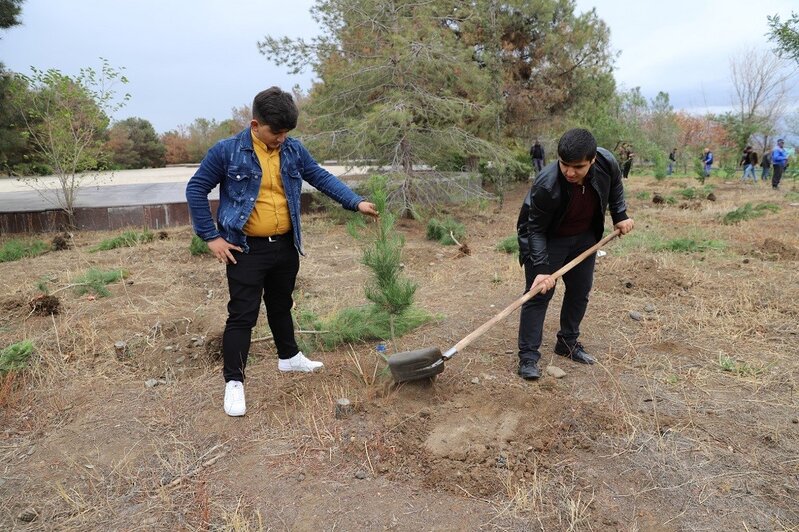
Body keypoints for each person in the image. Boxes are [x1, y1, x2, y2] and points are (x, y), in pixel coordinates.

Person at [186, 87, 378, 416]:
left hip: (286, 246)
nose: (281, 138)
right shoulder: (227, 152)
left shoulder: (293, 150)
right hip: (244, 249)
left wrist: (355, 201)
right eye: (276, 132)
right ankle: (234, 383)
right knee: (242, 316)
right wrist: (210, 236)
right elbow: (196, 188)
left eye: (287, 132)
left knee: (280, 305)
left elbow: (319, 176)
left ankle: (289, 358)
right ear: (255, 124)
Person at [516, 128, 634, 380]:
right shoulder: (546, 185)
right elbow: (533, 229)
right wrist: (541, 269)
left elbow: (615, 186)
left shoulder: (606, 161)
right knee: (538, 295)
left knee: (580, 292)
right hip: (549, 240)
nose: (569, 172)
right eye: (564, 164)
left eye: (577, 167)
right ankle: (528, 357)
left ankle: (567, 342)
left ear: (592, 160)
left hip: (585, 238)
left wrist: (620, 215)